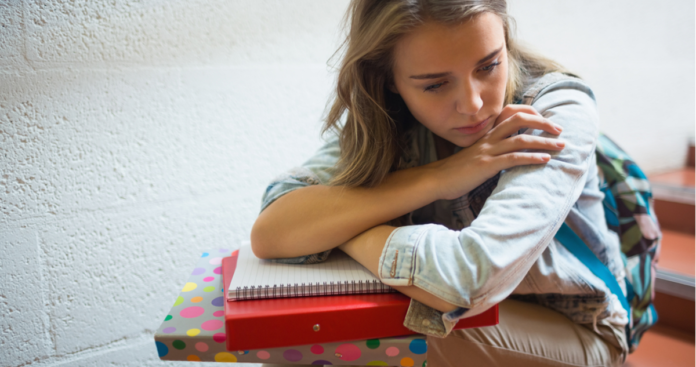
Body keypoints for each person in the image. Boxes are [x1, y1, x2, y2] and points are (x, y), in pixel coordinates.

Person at [252, 0, 629, 366]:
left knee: (325, 335)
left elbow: (466, 280)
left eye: (489, 65)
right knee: (303, 322)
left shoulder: (556, 109)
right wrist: (438, 178)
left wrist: (345, 229)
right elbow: (273, 230)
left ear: (506, 42)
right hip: (470, 318)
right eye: (435, 85)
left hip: (580, 331)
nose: (472, 103)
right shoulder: (388, 120)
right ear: (389, 81)